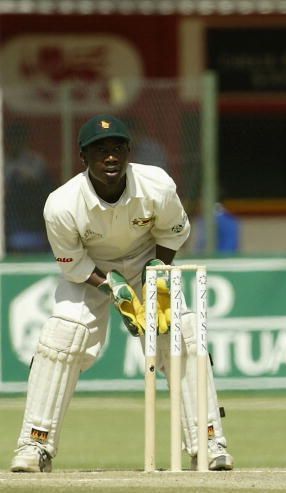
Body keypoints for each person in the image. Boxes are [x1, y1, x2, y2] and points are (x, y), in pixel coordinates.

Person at [10, 114, 233, 472]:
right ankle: (35, 445)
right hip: (92, 271)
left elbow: (173, 233)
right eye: (100, 151)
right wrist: (113, 288)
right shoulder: (62, 204)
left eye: (117, 148)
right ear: (83, 159)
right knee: (63, 336)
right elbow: (73, 265)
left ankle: (208, 442)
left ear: (129, 152)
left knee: (183, 333)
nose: (110, 157)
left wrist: (158, 277)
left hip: (148, 260)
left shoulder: (156, 185)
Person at [4, 121, 54, 253]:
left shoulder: (35, 160)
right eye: (13, 139)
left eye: (19, 138)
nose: (16, 142)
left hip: (34, 211)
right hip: (8, 214)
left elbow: (45, 186)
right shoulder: (4, 162)